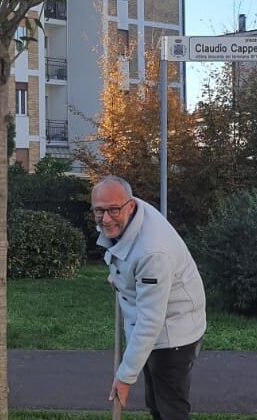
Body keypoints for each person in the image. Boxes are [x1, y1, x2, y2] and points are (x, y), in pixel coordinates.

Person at [93, 175, 206, 420]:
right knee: (155, 402)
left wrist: (124, 377)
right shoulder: (128, 211)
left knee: (170, 408)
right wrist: (119, 277)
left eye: (112, 210)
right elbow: (121, 249)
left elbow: (150, 322)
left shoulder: (153, 252)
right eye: (98, 211)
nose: (105, 218)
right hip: (154, 324)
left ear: (130, 205)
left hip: (173, 332)